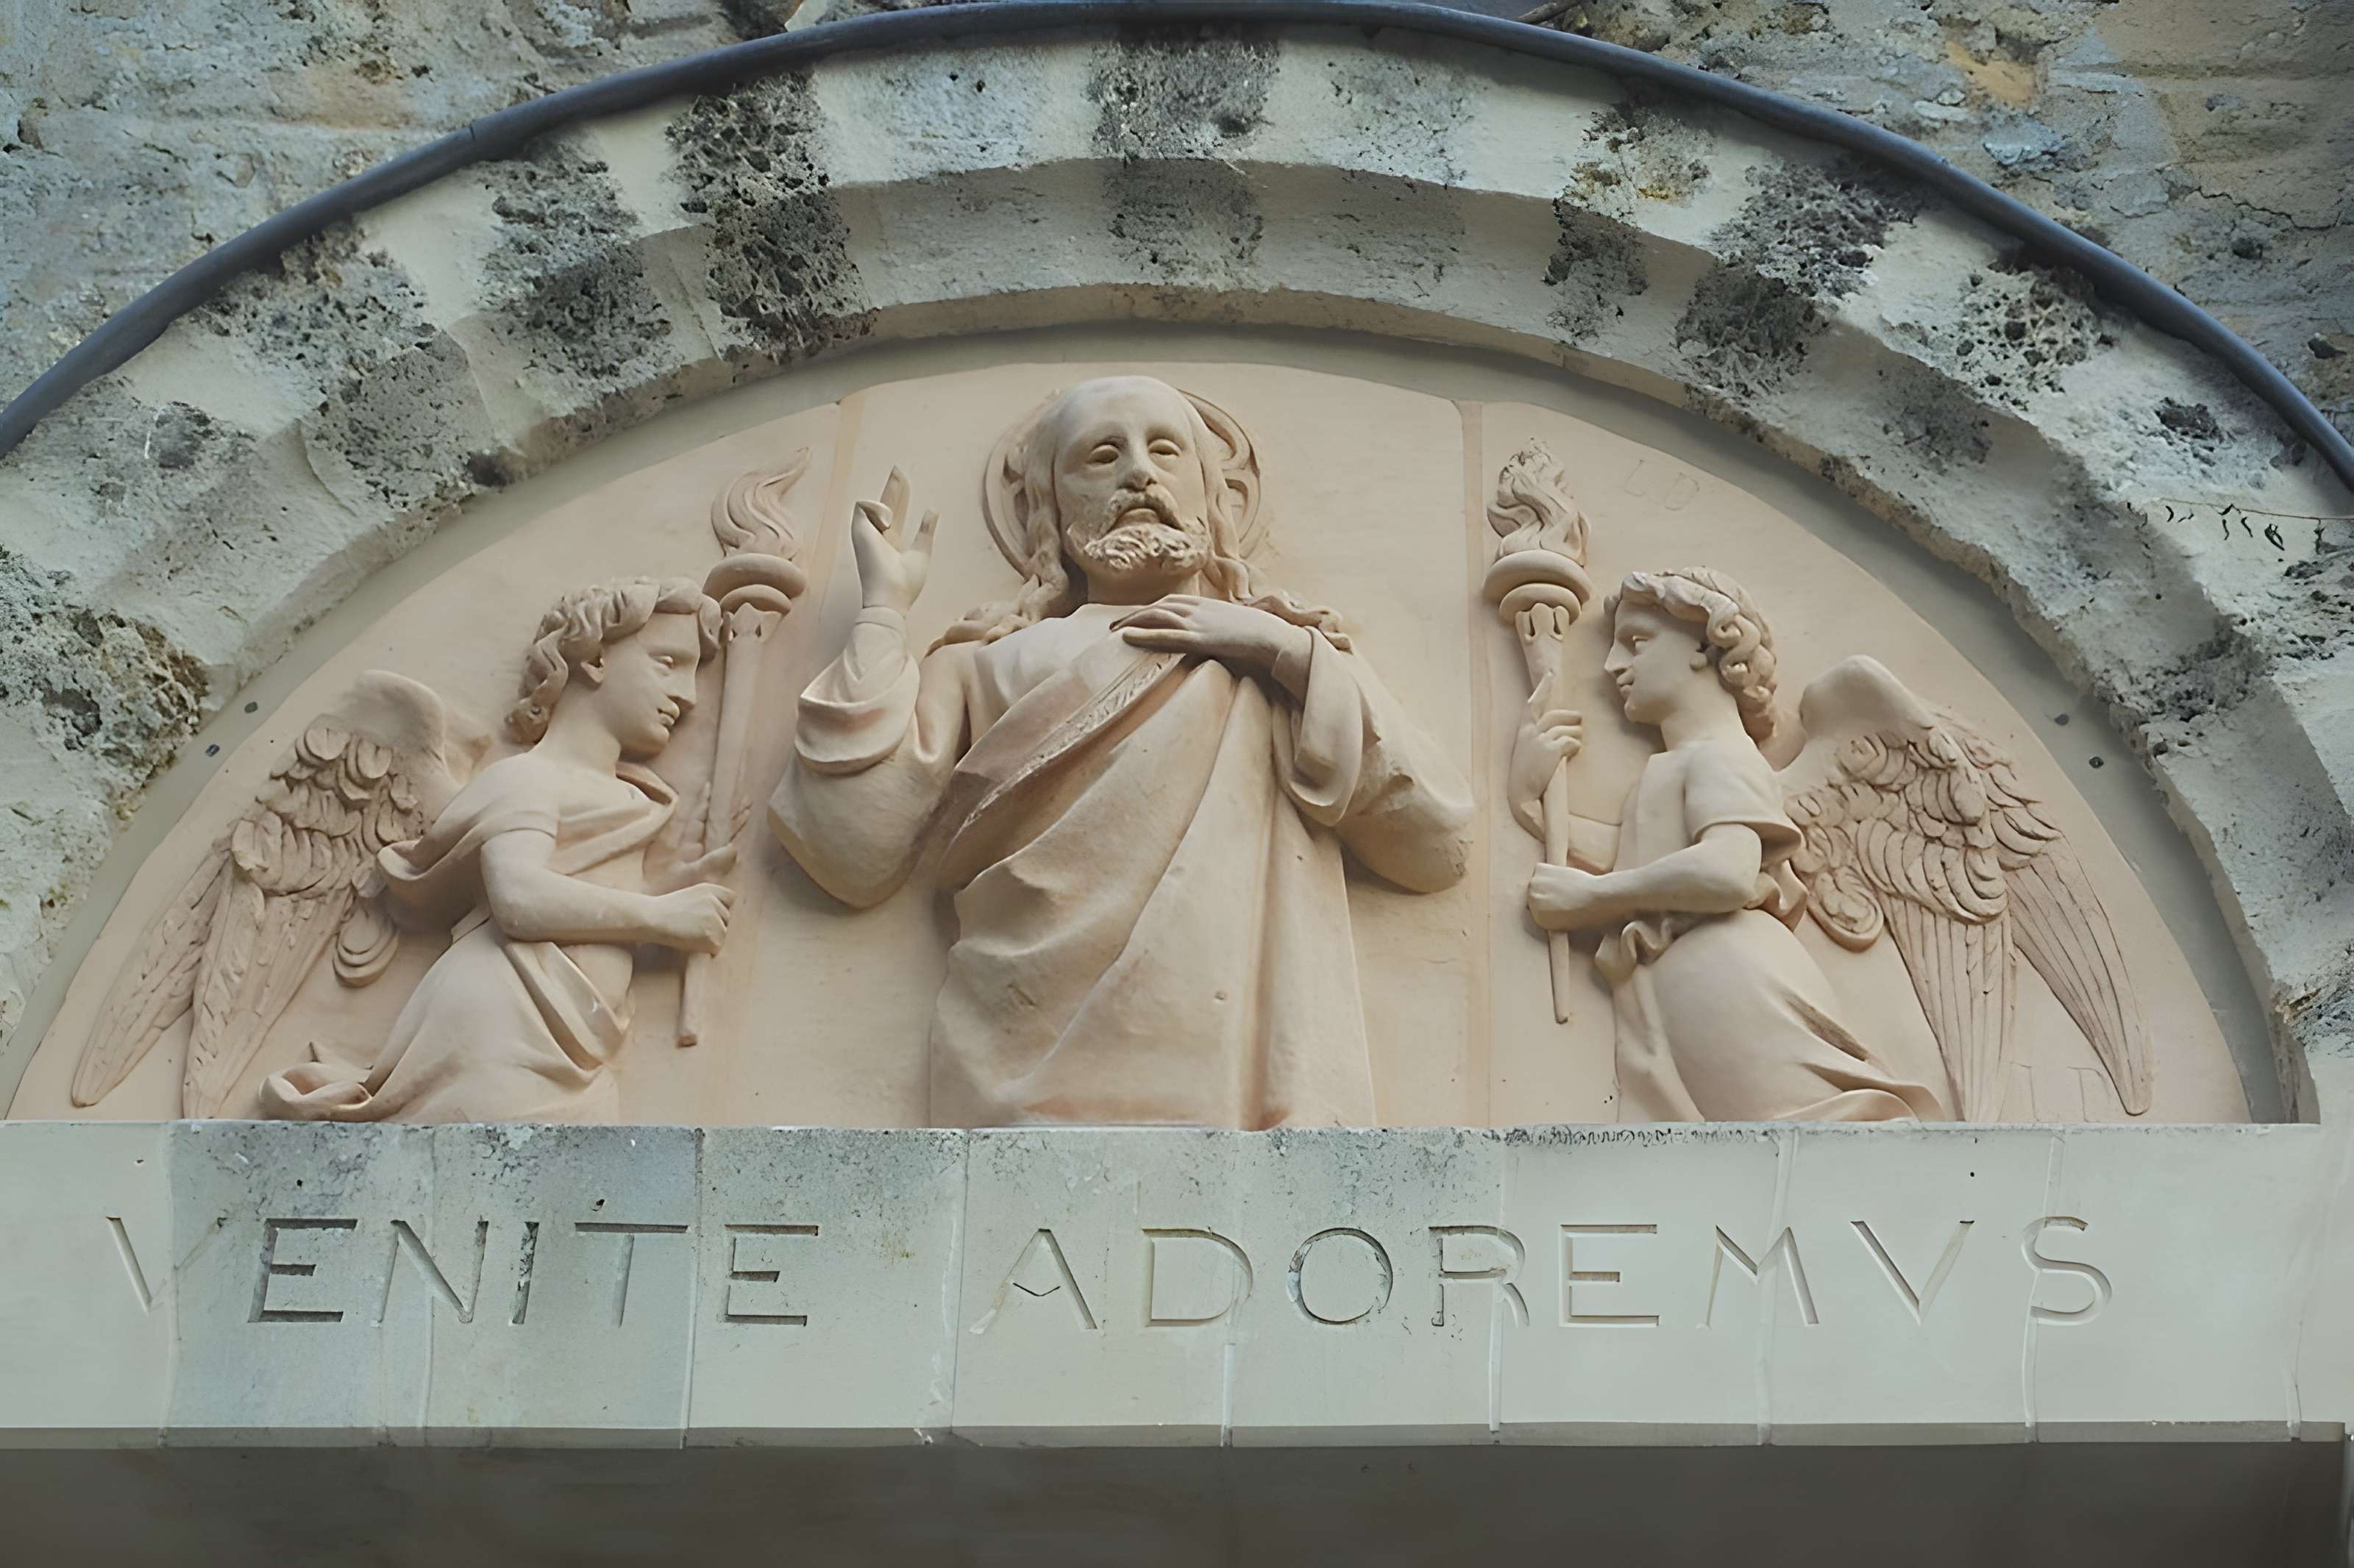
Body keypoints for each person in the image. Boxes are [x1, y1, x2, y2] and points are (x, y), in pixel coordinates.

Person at [772, 376, 1473, 1128]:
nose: (1138, 471)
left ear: (1212, 494)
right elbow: (852, 849)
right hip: (1022, 1049)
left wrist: (1280, 653)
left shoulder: (1289, 664)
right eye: (1100, 455)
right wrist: (881, 612)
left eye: (1163, 448)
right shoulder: (985, 663)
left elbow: (1435, 843)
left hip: (1233, 1062)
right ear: (1050, 507)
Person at [261, 577, 733, 1122]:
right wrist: (659, 915)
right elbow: (519, 897)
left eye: (693, 673)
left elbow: (590, 908)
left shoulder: (630, 796)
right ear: (597, 658)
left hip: (576, 1041)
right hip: (502, 1024)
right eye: (668, 663)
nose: (689, 695)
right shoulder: (528, 780)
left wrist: (674, 897)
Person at [1519, 567, 1939, 1122]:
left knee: (1814, 1141)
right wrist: (1528, 797)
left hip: (1738, 988)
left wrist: (1594, 899)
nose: (1612, 666)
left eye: (1637, 643)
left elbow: (1726, 873)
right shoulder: (1672, 766)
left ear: (1704, 645)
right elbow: (1639, 856)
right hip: (1687, 1003)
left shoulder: (1723, 754)